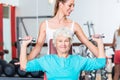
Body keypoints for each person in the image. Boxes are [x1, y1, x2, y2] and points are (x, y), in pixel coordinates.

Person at [20, 27, 106, 80]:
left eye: (66, 41)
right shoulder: (47, 60)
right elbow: (24, 66)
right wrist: (24, 45)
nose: (63, 44)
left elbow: (100, 63)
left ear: (70, 43)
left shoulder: (77, 60)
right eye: (60, 41)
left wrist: (100, 42)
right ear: (55, 44)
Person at [26, 0, 101, 61]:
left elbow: (88, 43)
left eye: (73, 6)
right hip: (51, 67)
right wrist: (25, 61)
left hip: (68, 67)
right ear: (61, 4)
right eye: (70, 5)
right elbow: (37, 48)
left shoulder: (74, 26)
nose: (72, 9)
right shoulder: (45, 25)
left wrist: (102, 56)